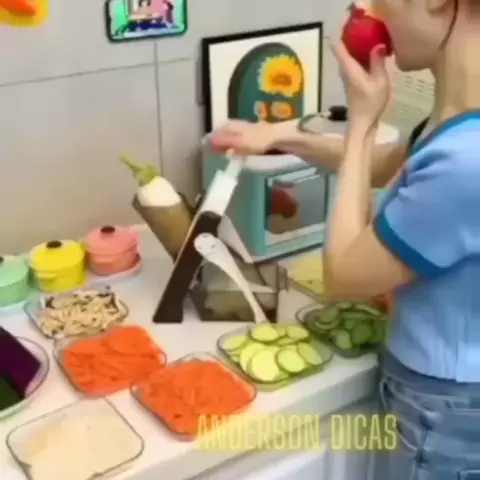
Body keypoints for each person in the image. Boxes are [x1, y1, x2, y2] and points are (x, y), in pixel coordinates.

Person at [210, 0, 480, 477]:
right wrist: (278, 137)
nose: (363, 7)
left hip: (445, 412)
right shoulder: (458, 119)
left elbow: (343, 276)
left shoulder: (467, 161)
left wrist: (362, 121)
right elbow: (383, 166)